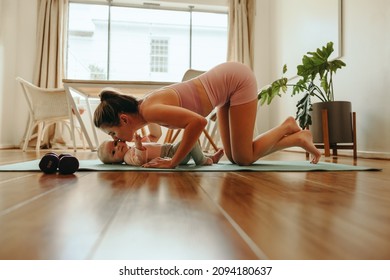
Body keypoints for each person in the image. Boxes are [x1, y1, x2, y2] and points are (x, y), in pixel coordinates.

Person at [94, 61, 321, 169]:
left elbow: (198, 121)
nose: (116, 138)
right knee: (234, 157)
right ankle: (297, 136)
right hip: (224, 93)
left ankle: (287, 128)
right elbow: (157, 134)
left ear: (124, 118)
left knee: (244, 158)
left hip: (237, 81)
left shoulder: (150, 109)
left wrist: (173, 162)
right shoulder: (147, 110)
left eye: (112, 132)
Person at [97, 133, 224, 167]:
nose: (117, 147)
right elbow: (139, 160)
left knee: (191, 145)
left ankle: (208, 156)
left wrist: (144, 141)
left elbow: (151, 149)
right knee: (191, 140)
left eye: (114, 143)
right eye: (113, 152)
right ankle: (204, 161)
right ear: (115, 162)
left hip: (170, 149)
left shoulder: (129, 149)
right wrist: (139, 145)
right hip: (171, 154)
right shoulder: (127, 157)